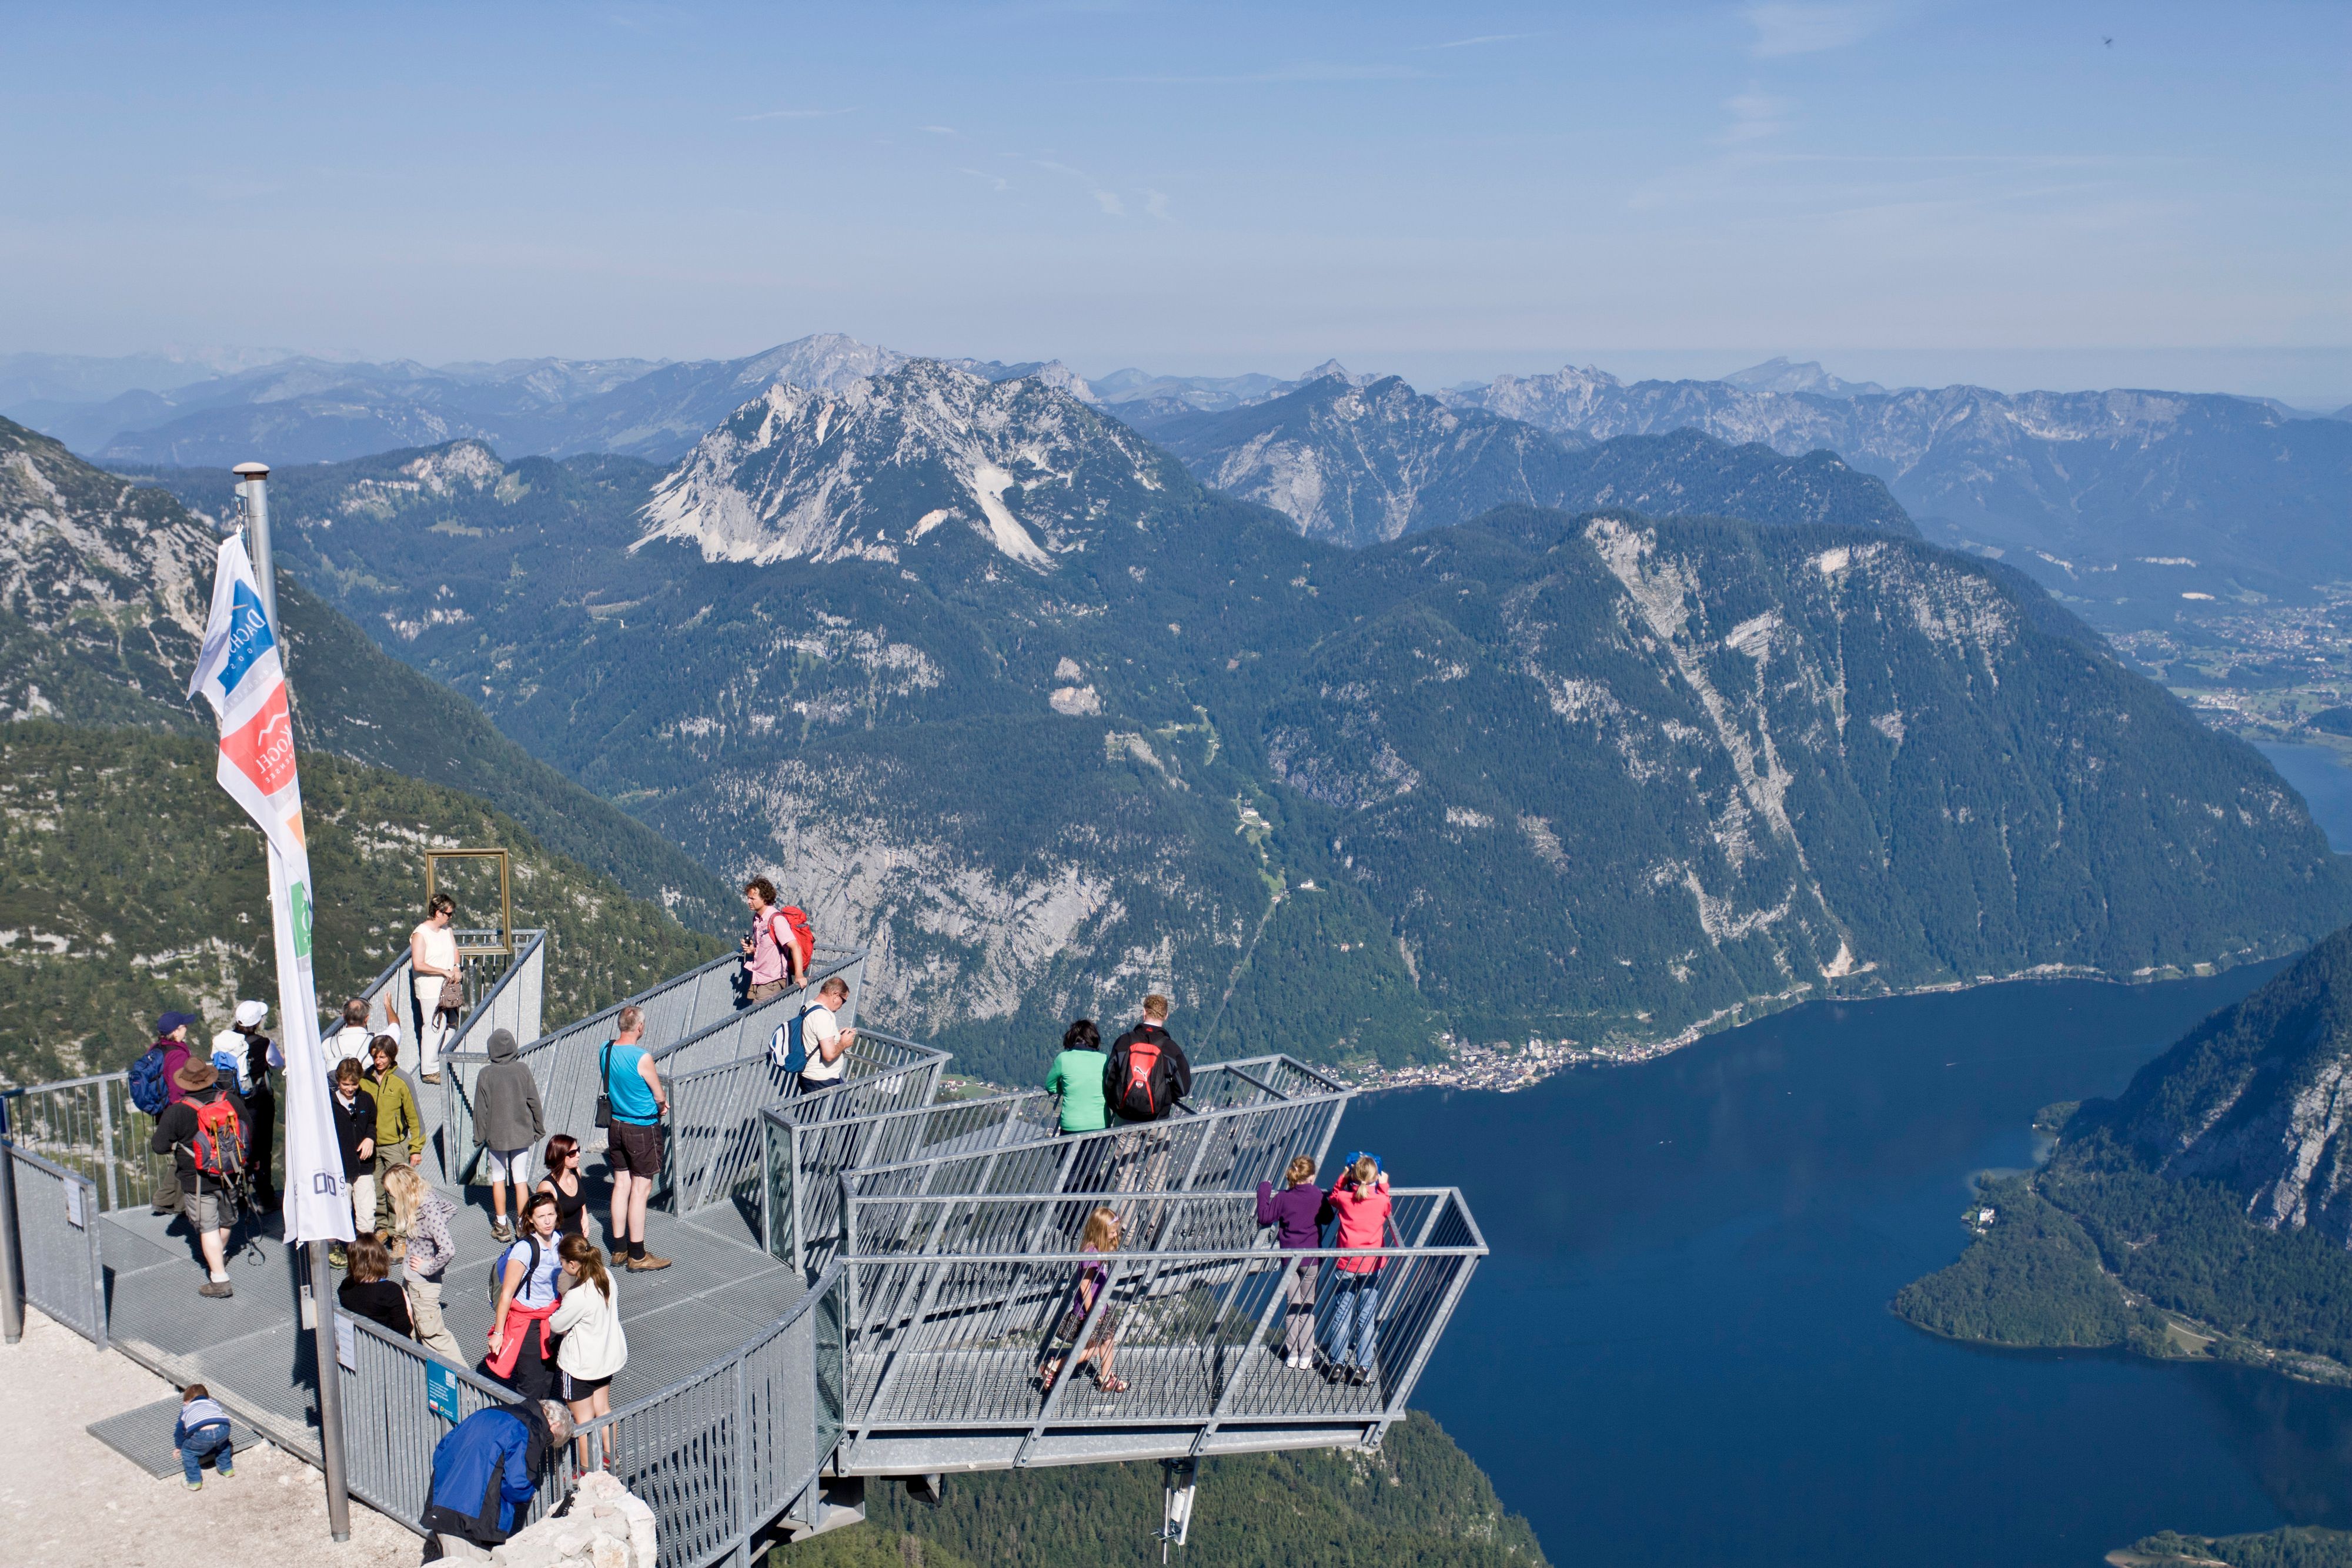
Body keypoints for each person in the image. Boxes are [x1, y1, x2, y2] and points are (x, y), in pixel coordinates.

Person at [420, 1399, 574, 1557]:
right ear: (554, 1425)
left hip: (442, 1507)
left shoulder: (487, 1412)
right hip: (472, 1523)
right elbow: (517, 1483)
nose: (546, 1443)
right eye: (551, 1439)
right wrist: (529, 1494)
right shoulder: (531, 1428)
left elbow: (442, 1452)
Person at [148, 1057, 244, 1298]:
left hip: (197, 1177)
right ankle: (218, 1256)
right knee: (225, 1221)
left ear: (186, 1083)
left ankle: (219, 1279)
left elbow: (159, 1146)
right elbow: (247, 1128)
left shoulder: (177, 1111)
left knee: (207, 1226)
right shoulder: (229, 1100)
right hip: (230, 1171)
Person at [600, 1005, 671, 1272]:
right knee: (640, 1191)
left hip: (615, 1124)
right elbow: (658, 1095)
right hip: (641, 1129)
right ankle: (638, 1254)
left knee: (621, 1184)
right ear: (640, 1027)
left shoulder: (605, 1050)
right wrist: (662, 1105)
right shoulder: (643, 1057)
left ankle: (619, 1249)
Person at [549, 1233, 627, 1469]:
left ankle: (584, 1471)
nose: (561, 1266)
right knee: (603, 1410)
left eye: (562, 1262)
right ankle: (610, 1457)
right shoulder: (606, 1276)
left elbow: (557, 1324)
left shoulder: (577, 1296)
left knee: (582, 1422)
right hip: (606, 1359)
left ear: (573, 1264)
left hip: (581, 1367)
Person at [1038, 1206, 1127, 1395]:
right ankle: (1053, 1367)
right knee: (1091, 1349)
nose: (1115, 1235)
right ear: (1101, 1232)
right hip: (1091, 1310)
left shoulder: (1098, 1248)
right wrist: (1092, 1313)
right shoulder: (1090, 1255)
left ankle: (1106, 1377)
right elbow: (1085, 1286)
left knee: (1108, 1341)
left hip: (1100, 1307)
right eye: (1112, 1232)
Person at [485, 1192, 564, 1402]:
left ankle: (543, 1425)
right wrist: (499, 1333)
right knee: (531, 1383)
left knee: (548, 1378)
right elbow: (507, 1295)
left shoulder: (559, 1239)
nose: (547, 1221)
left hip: (550, 1316)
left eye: (551, 1214)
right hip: (527, 1323)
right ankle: (528, 1427)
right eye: (541, 1216)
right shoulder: (524, 1250)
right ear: (530, 1219)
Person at [1258, 1155, 1334, 1371]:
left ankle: (1292, 1354)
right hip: (1312, 1259)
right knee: (1307, 1307)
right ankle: (1307, 1355)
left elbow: (1264, 1216)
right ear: (1311, 1177)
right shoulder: (1318, 1195)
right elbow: (1328, 1218)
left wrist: (1264, 1189)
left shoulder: (1283, 1197)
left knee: (1293, 1306)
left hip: (1289, 1259)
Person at [383, 1164, 464, 1362]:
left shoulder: (426, 1210)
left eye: (390, 1191)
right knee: (419, 1328)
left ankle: (465, 1382)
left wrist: (427, 1267)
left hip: (423, 1283)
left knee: (433, 1336)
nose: (389, 1196)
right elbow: (451, 1208)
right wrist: (430, 1235)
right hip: (415, 1280)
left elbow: (448, 1249)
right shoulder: (423, 1200)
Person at [1324, 1153, 1392, 1386]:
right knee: (1366, 1318)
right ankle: (1363, 1367)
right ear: (1376, 1177)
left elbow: (1333, 1197)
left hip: (1346, 1265)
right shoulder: (1381, 1200)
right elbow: (1386, 1206)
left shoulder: (1344, 1198)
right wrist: (1384, 1184)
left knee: (1342, 1315)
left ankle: (1337, 1364)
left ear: (1352, 1175)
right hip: (1371, 1266)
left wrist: (1342, 1178)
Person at [473, 1026, 546, 1245]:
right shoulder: (522, 1070)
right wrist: (538, 1127)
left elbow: (480, 1109)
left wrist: (479, 1137)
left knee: (498, 1178)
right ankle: (523, 1225)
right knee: (520, 1178)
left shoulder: (486, 1074)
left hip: (496, 1134)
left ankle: (501, 1225)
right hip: (521, 1133)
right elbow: (534, 1101)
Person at [213, 1000, 279, 1213]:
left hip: (230, 1102)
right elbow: (278, 1062)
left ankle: (237, 1197)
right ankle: (264, 1198)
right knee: (261, 1150)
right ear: (257, 1022)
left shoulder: (225, 1040)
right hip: (257, 1104)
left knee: (235, 1147)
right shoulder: (263, 1043)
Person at [142, 1011, 201, 1215]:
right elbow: (178, 1087)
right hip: (178, 1110)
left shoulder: (157, 1048)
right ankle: (174, 1202)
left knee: (181, 1154)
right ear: (176, 1032)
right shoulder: (177, 1054)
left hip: (164, 1110)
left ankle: (168, 1200)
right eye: (184, 1027)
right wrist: (186, 1109)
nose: (186, 1029)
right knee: (187, 1154)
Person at [1104, 994, 1192, 1124]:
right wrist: (1164, 1095)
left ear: (1144, 1012)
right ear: (1166, 1015)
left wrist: (1118, 1103)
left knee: (1123, 1144)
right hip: (1158, 1119)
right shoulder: (1171, 1048)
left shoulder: (1124, 1041)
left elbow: (1109, 1080)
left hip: (1125, 1118)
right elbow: (1184, 1088)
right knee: (1161, 1143)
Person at [366, 1035, 424, 1227]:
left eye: (382, 1057)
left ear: (392, 1056)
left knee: (397, 1192)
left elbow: (415, 1116)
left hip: (395, 1146)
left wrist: (416, 1148)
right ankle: (382, 1227)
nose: (378, 1061)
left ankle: (399, 1233)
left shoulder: (402, 1080)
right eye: (375, 1057)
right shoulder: (364, 1079)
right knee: (376, 1190)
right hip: (371, 1146)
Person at [328, 1057, 377, 1271]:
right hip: (340, 1167)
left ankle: (364, 1253)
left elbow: (372, 1123)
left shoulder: (365, 1099)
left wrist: (370, 1138)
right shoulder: (329, 1104)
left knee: (366, 1215)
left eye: (354, 1084)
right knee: (343, 1210)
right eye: (345, 1084)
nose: (349, 1089)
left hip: (364, 1166)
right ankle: (342, 1249)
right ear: (338, 1081)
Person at [411, 891, 461, 1084]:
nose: (450, 917)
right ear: (438, 912)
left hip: (449, 986)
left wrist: (456, 967)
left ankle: (444, 1061)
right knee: (434, 1026)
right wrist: (444, 971)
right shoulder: (420, 934)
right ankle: (429, 1070)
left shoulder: (447, 931)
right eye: (448, 914)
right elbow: (419, 964)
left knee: (449, 1024)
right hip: (431, 988)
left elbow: (455, 951)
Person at [337, 1231, 416, 1339]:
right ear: (381, 1257)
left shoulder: (346, 1286)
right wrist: (408, 1308)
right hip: (388, 1347)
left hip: (360, 1342)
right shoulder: (390, 1290)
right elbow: (404, 1330)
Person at [737, 876, 799, 1005]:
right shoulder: (757, 920)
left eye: (752, 899)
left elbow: (795, 946)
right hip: (759, 977)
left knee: (755, 1019)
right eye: (748, 898)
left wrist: (799, 976)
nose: (749, 901)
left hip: (772, 981)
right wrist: (752, 950)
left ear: (764, 899)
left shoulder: (776, 919)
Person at [794, 976, 856, 1096]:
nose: (842, 1005)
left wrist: (837, 1036)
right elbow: (829, 1055)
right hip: (821, 1081)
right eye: (843, 1001)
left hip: (817, 1078)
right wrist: (844, 1044)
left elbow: (815, 1038)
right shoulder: (823, 1016)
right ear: (836, 995)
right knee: (843, 1114)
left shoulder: (809, 1007)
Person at [1045, 1019, 1109, 1134]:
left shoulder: (1063, 1058)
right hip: (1100, 1123)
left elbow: (1050, 1086)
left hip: (1072, 1124)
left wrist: (1067, 1088)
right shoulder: (1105, 1059)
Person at [172, 1383, 235, 1490]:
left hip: (202, 1435)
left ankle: (194, 1481)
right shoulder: (212, 1403)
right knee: (224, 1445)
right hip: (223, 1427)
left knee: (188, 1453)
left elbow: (179, 1431)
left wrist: (179, 1447)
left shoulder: (186, 1409)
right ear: (208, 1398)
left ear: (186, 1403)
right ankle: (227, 1469)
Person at [536, 1134, 587, 1239]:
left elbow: (580, 1199)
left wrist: (585, 1217)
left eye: (578, 1150)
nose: (578, 1155)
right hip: (560, 1243)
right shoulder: (547, 1187)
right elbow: (541, 1221)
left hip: (579, 1239)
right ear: (560, 1156)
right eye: (573, 1153)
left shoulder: (577, 1172)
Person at [325, 997, 375, 1074]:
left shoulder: (328, 1044)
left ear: (344, 1016)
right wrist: (388, 1006)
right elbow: (395, 1030)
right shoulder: (376, 1042)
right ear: (367, 1018)